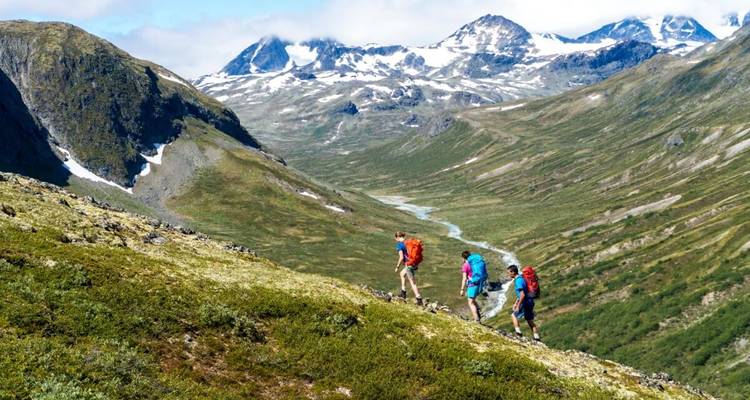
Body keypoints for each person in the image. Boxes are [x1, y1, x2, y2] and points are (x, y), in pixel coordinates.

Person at [507, 265, 541, 341]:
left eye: (509, 273)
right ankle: (536, 337)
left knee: (513, 315)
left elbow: (522, 294)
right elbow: (522, 293)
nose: (508, 274)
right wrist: (516, 302)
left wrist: (518, 305)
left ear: (513, 272)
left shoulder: (518, 280)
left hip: (524, 301)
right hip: (530, 301)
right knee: (529, 319)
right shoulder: (522, 279)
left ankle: (518, 333)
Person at [394, 231, 423, 305]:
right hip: (413, 263)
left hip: (409, 265)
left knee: (412, 282)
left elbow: (401, 257)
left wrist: (397, 266)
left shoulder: (400, 245)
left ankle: (418, 299)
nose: (395, 240)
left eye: (395, 238)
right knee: (402, 274)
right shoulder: (407, 242)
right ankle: (403, 293)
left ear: (397, 237)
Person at [459, 250, 486, 323]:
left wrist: (462, 289)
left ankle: (476, 320)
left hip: (472, 285)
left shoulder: (465, 265)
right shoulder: (474, 263)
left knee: (470, 302)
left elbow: (464, 278)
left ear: (463, 258)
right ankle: (479, 313)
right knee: (473, 300)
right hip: (479, 284)